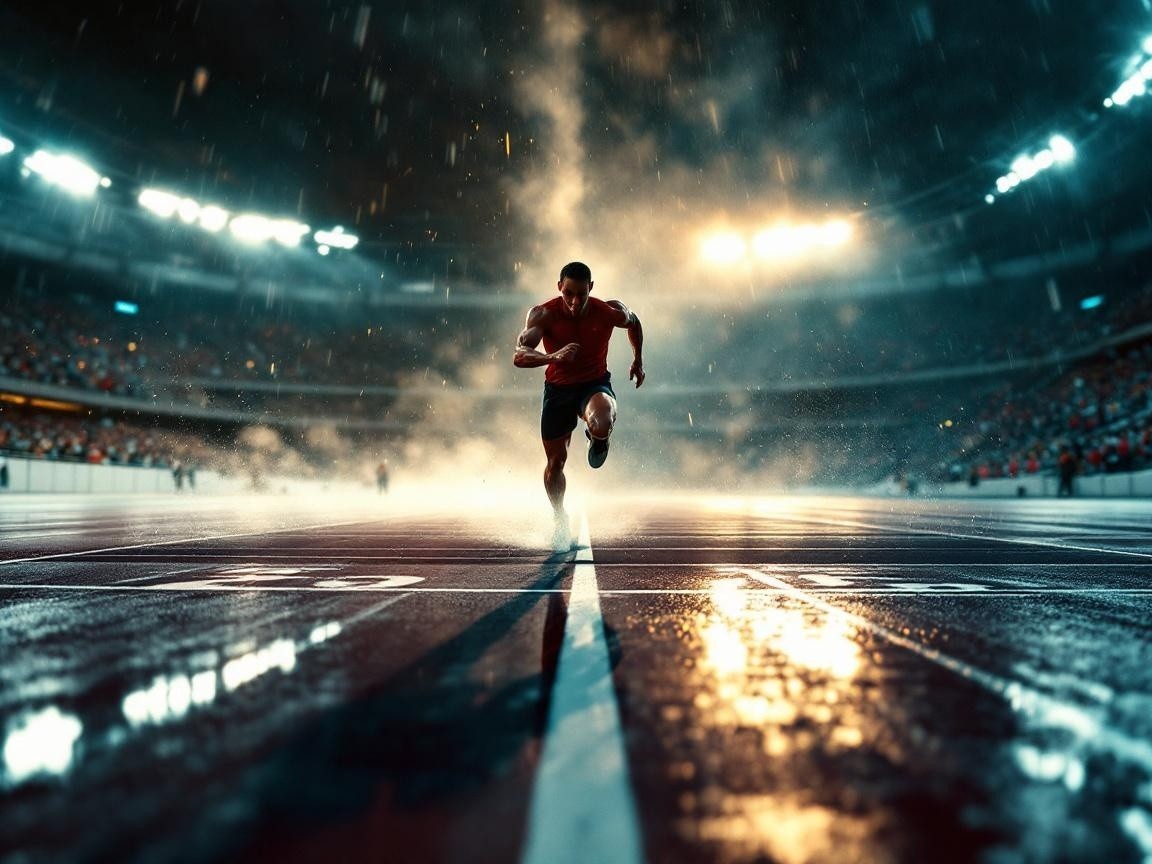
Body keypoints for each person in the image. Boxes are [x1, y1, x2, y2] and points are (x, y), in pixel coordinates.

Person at [513, 261, 645, 549]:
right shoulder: (543, 314)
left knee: (602, 419)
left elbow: (633, 322)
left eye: (581, 295)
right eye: (568, 293)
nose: (574, 302)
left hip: (593, 384)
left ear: (591, 289)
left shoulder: (609, 311)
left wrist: (638, 360)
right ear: (559, 287)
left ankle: (599, 439)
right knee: (555, 463)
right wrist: (554, 357)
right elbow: (520, 355)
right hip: (558, 390)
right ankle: (559, 516)